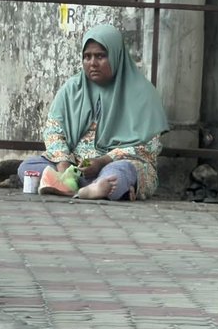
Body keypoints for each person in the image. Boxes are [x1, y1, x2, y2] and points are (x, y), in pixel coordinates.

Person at [18, 23, 169, 201]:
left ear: (116, 56)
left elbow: (148, 146)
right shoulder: (72, 89)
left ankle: (93, 187)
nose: (93, 63)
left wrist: (103, 161)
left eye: (100, 56)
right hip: (75, 165)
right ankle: (79, 187)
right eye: (87, 57)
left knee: (121, 173)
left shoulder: (142, 93)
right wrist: (64, 167)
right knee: (27, 167)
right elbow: (54, 131)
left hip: (114, 164)